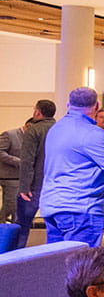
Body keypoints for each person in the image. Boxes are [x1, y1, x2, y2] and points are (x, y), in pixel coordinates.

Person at [39, 87, 104, 247]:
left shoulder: (55, 129)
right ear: (96, 106)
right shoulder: (92, 133)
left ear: (68, 104)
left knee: (56, 264)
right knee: (83, 266)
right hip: (80, 209)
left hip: (51, 206)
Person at [17, 99, 55, 247]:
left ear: (38, 112)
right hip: (55, 185)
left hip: (34, 187)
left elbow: (27, 161)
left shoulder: (33, 130)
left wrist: (24, 187)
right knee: (54, 228)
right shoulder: (59, 129)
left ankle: (15, 259)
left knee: (22, 226)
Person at [0, 122, 21, 223]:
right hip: (9, 177)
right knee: (11, 206)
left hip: (23, 178)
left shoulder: (32, 139)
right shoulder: (9, 135)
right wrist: (17, 161)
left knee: (16, 208)